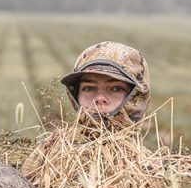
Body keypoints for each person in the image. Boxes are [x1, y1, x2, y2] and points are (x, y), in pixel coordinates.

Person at [22, 41, 150, 176]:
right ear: (75, 95)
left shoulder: (153, 171)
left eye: (116, 88)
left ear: (137, 97)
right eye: (89, 88)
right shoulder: (45, 156)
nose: (100, 98)